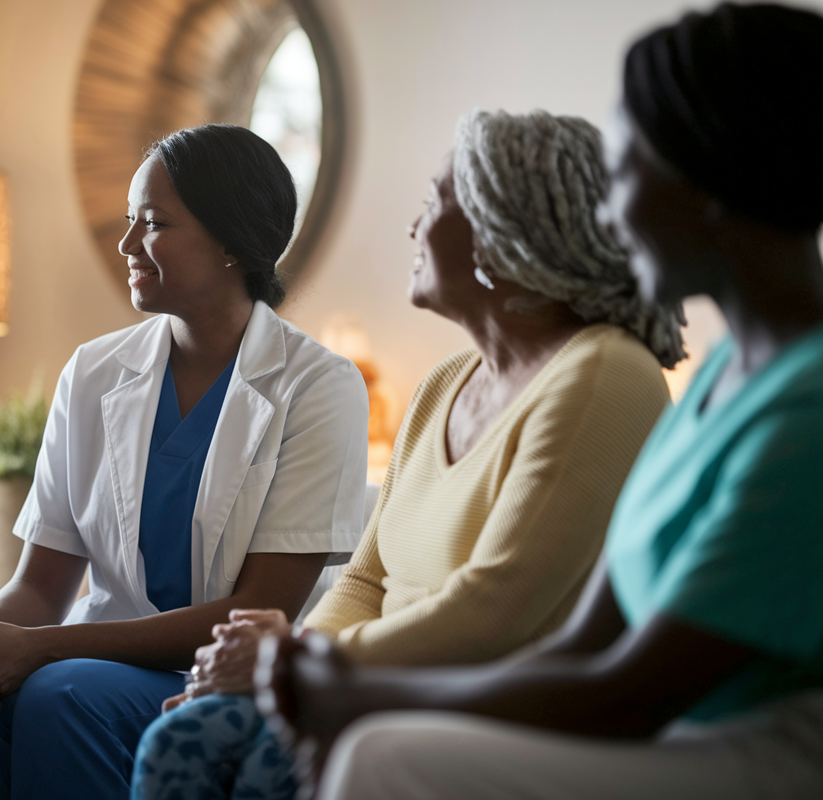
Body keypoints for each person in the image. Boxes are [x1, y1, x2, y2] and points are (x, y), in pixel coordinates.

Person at [258, 5, 823, 798]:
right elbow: (586, 644)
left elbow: (628, 692)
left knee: (382, 757)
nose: (608, 218)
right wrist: (329, 680)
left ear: (712, 184)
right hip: (665, 729)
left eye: (627, 174)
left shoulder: (804, 413)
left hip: (761, 755)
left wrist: (356, 692)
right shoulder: (728, 376)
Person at [131, 108, 684, 800]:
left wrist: (293, 663)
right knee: (181, 738)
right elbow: (364, 583)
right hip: (374, 679)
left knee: (256, 764)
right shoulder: (443, 384)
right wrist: (288, 671)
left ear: (501, 228)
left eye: (435, 202)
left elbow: (494, 612)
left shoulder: (604, 373)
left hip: (490, 703)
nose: (413, 226)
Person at [0, 124, 370, 799]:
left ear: (228, 242)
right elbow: (41, 590)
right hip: (84, 660)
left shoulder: (318, 387)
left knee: (60, 694)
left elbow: (259, 609)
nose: (126, 244)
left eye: (152, 223)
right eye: (130, 221)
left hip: (216, 674)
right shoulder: (94, 372)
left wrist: (40, 650)